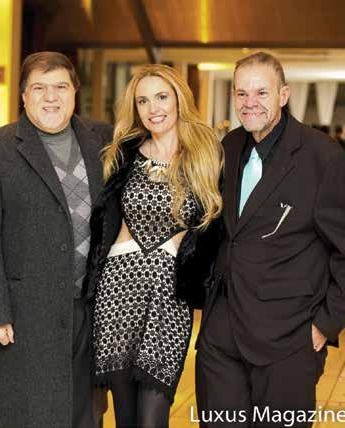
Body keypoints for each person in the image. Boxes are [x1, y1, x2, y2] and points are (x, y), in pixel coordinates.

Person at [195, 52, 345, 427]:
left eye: (261, 92)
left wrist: (325, 325)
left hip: (288, 337)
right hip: (222, 334)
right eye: (241, 93)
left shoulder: (322, 156)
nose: (250, 103)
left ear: (283, 95)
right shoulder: (228, 148)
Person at [0, 51, 110, 428]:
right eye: (39, 88)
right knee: (27, 415)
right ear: (23, 95)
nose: (51, 97)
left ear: (75, 92)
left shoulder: (102, 141)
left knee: (85, 415)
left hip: (90, 312)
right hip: (24, 315)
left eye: (60, 87)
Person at [83, 64, 223, 427]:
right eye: (143, 101)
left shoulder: (206, 154)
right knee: (126, 417)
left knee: (153, 417)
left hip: (169, 295)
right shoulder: (124, 154)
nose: (153, 108)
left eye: (161, 97)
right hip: (118, 290)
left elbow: (213, 229)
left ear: (179, 99)